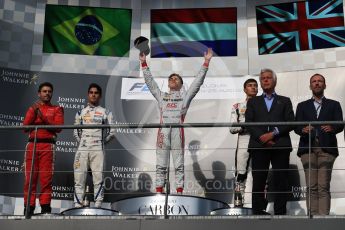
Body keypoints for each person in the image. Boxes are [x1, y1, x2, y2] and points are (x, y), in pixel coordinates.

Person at [139, 48, 213, 194]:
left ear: (181, 84)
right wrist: (143, 63)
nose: (173, 80)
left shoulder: (185, 97)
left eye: (176, 79)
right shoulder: (162, 96)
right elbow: (150, 83)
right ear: (168, 84)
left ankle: (179, 192)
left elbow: (197, 83)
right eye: (170, 79)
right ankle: (159, 192)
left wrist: (206, 62)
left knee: (179, 164)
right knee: (160, 164)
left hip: (178, 132)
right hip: (163, 132)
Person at [245, 69, 294, 215]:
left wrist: (272, 134)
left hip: (280, 145)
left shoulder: (285, 100)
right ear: (260, 82)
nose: (265, 80)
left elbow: (291, 122)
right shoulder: (253, 101)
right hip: (259, 146)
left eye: (268, 78)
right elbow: (249, 123)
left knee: (281, 181)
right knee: (258, 181)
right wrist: (262, 138)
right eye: (263, 78)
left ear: (274, 81)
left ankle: (280, 214)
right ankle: (258, 213)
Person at [295, 74, 343, 215]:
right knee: (311, 186)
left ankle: (323, 220)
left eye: (319, 81)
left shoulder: (334, 104)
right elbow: (296, 127)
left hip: (327, 149)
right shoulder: (302, 106)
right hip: (307, 148)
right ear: (310, 86)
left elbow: (340, 125)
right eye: (314, 82)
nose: (317, 83)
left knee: (323, 186)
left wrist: (333, 128)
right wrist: (302, 129)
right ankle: (312, 219)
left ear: (325, 85)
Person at [23, 82, 64, 215]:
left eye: (49, 91)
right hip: (32, 145)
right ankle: (28, 208)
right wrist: (35, 113)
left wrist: (41, 117)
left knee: (46, 179)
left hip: (48, 145)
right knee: (30, 178)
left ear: (52, 93)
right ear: (39, 93)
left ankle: (45, 208)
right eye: (44, 91)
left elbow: (58, 128)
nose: (47, 93)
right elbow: (25, 128)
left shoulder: (57, 108)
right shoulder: (32, 108)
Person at [73, 83, 115, 208]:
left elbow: (113, 132)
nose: (93, 95)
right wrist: (83, 142)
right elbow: (75, 131)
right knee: (79, 177)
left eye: (96, 93)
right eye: (91, 92)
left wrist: (102, 142)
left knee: (98, 177)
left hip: (98, 148)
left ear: (100, 95)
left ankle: (98, 205)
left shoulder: (106, 112)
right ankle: (77, 204)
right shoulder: (80, 112)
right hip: (82, 148)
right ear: (88, 94)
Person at [229, 78, 258, 206]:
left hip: (260, 140)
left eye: (255, 86)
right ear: (245, 89)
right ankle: (238, 204)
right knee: (241, 173)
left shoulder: (263, 104)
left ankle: (260, 204)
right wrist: (246, 126)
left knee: (261, 174)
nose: (253, 88)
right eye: (250, 85)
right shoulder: (238, 106)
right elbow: (232, 128)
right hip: (244, 139)